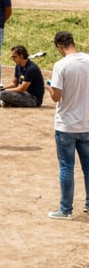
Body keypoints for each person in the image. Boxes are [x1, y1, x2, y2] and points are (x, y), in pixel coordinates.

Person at [46, 31, 89, 219]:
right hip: (86, 122)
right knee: (87, 167)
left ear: (59, 47)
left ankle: (66, 209)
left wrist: (49, 87)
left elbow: (56, 96)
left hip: (66, 125)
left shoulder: (60, 65)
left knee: (66, 167)